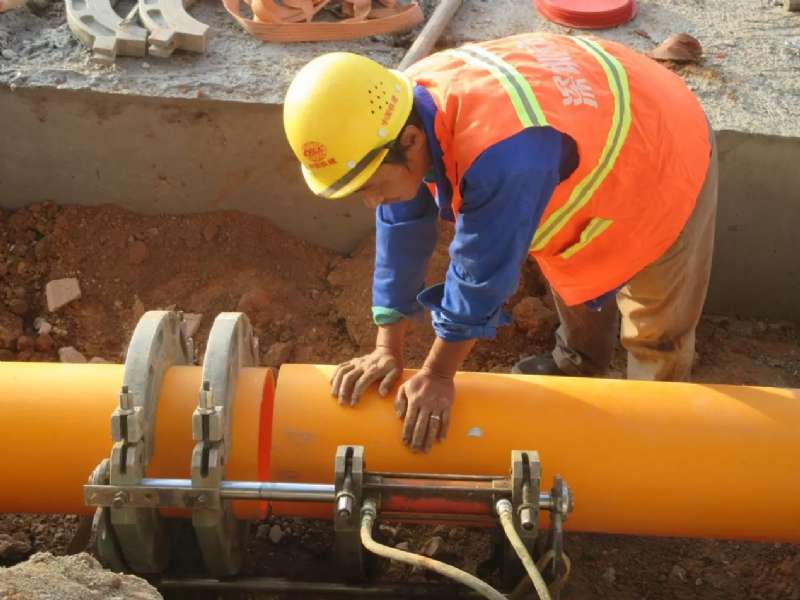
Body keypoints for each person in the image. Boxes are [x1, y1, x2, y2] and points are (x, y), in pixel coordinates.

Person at [282, 32, 717, 453]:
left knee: (655, 325)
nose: (369, 201)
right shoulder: (400, 112)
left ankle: (656, 429)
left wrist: (438, 374)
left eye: (371, 186)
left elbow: (482, 275)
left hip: (662, 145)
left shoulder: (502, 153)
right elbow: (401, 226)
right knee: (572, 259)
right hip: (591, 126)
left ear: (411, 142)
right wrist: (386, 346)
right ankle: (578, 363)